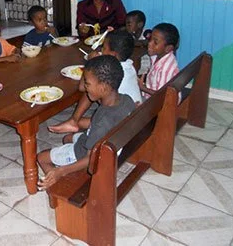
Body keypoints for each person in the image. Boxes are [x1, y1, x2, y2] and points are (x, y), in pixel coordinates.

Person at [37, 55, 135, 189]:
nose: (85, 87)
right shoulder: (126, 100)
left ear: (103, 88)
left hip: (89, 155)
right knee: (68, 138)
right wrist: (76, 124)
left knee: (41, 157)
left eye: (87, 83)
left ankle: (59, 185)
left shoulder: (102, 120)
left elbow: (91, 159)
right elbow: (103, 125)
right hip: (109, 146)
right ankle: (66, 160)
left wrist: (61, 171)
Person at [49, 30, 141, 135]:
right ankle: (73, 121)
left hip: (120, 122)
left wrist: (90, 63)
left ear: (114, 55)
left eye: (104, 48)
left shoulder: (110, 72)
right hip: (129, 114)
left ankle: (74, 121)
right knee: (93, 84)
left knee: (91, 84)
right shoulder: (129, 65)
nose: (101, 50)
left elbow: (82, 87)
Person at [138, 23, 180, 99]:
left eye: (155, 42)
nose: (149, 44)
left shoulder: (165, 69)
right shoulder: (158, 55)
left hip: (161, 104)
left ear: (168, 48)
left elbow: (162, 95)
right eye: (150, 39)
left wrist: (143, 88)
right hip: (153, 95)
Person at [125, 10, 151, 75]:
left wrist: (136, 42)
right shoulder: (129, 35)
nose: (126, 27)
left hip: (146, 70)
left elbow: (147, 43)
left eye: (129, 24)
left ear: (140, 25)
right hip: (135, 68)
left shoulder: (147, 33)